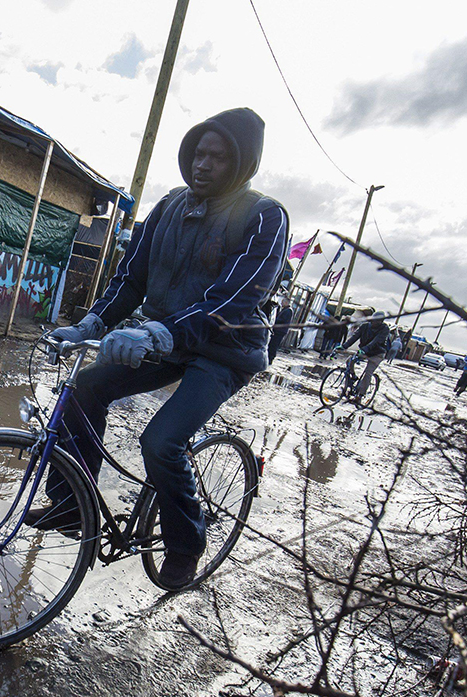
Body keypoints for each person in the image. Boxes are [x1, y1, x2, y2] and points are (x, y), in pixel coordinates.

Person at [34, 108, 288, 590]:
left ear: (242, 163)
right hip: (165, 337)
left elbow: (234, 299)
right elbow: (131, 278)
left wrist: (155, 334)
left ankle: (186, 543)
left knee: (161, 441)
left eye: (218, 157)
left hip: (225, 351)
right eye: (199, 153)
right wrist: (89, 325)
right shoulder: (170, 205)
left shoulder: (264, 216)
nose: (202, 164)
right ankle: (70, 506)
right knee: (84, 390)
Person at [339, 310, 391, 401]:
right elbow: (355, 337)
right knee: (350, 361)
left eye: (376, 321)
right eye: (372, 320)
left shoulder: (385, 329)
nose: (373, 322)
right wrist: (344, 346)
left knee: (368, 373)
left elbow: (376, 341)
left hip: (377, 353)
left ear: (381, 321)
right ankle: (353, 378)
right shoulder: (365, 326)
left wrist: (364, 349)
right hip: (365, 351)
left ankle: (360, 394)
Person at [266, 295, 295, 364]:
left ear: (286, 302)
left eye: (282, 302)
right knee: (272, 344)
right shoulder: (285, 310)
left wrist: (274, 320)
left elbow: (282, 320)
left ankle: (270, 358)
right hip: (279, 330)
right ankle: (269, 357)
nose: (281, 303)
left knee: (274, 345)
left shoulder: (288, 311)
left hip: (280, 331)